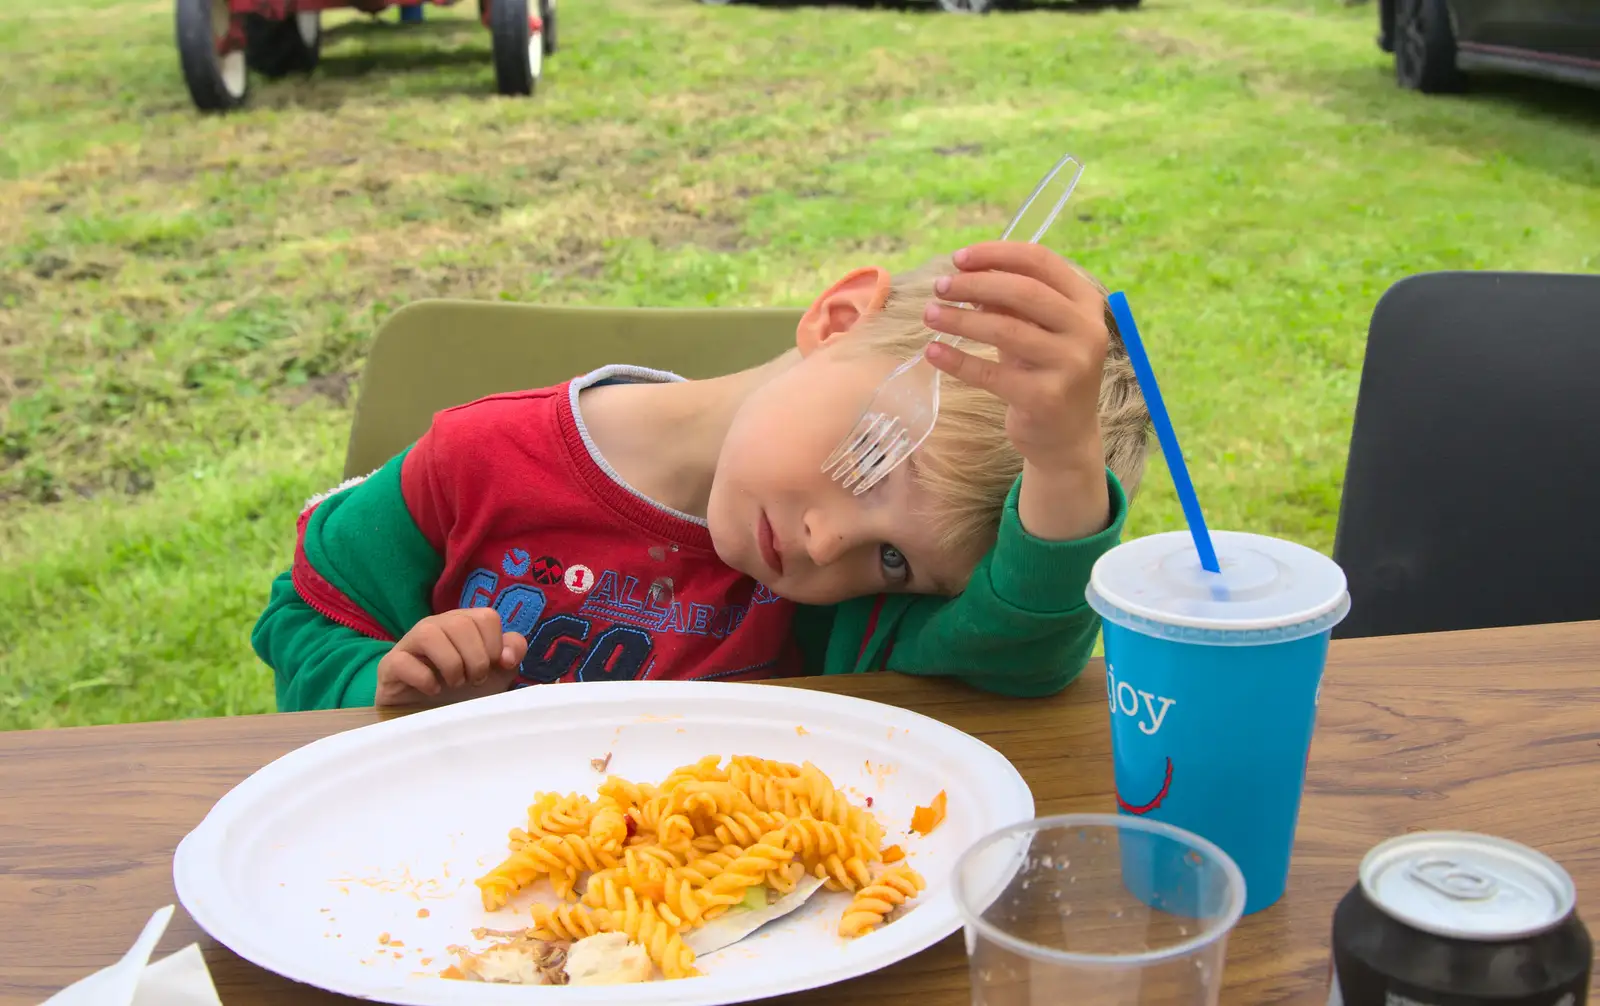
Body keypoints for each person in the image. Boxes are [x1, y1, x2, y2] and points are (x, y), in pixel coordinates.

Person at [253, 242, 1150, 710]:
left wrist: (1064, 467)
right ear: (837, 319)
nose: (831, 548)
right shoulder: (477, 462)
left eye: (893, 564)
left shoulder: (834, 618)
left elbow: (1018, 663)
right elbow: (306, 615)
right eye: (872, 463)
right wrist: (381, 690)